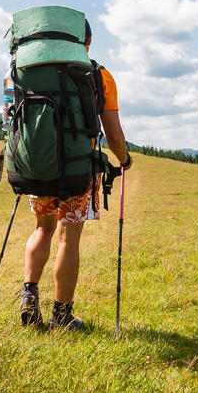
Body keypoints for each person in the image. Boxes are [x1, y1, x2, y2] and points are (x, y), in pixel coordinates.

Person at [19, 22, 131, 330]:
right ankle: (61, 315)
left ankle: (28, 299)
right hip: (77, 169)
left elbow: (10, 119)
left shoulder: (24, 70)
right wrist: (124, 160)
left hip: (37, 166)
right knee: (68, 236)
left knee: (42, 228)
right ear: (88, 40)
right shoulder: (99, 75)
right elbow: (113, 134)